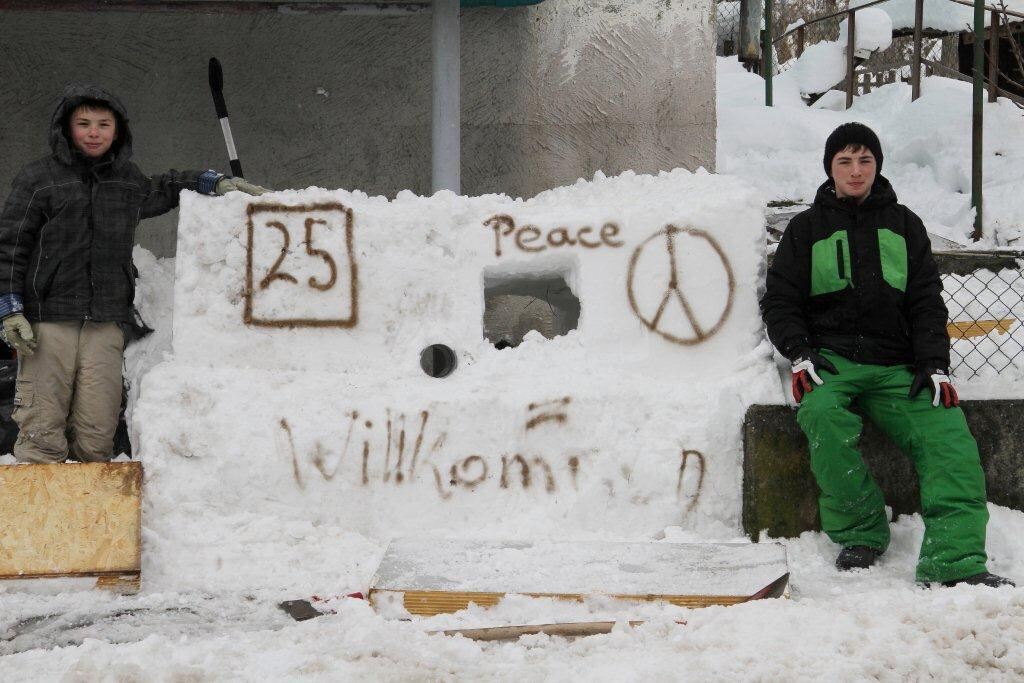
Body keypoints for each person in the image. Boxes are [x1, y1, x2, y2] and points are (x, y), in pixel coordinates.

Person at [760, 122, 1014, 588]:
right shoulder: (805, 229)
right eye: (845, 162)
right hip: (832, 364)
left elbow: (925, 301)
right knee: (822, 417)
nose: (856, 172)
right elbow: (780, 301)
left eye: (865, 161)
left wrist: (934, 364)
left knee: (948, 436)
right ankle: (860, 532)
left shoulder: (904, 224)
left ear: (877, 165)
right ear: (830, 168)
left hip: (899, 368)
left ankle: (955, 562)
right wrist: (799, 353)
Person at [0, 84, 267, 464]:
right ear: (66, 129)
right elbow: (10, 246)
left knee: (97, 437)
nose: (94, 132)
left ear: (118, 130)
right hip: (49, 321)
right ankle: (40, 521)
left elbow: (165, 186)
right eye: (84, 123)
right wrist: (10, 309)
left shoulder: (125, 180)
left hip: (106, 320)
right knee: (41, 431)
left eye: (104, 124)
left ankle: (94, 518)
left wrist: (213, 181)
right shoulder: (39, 179)